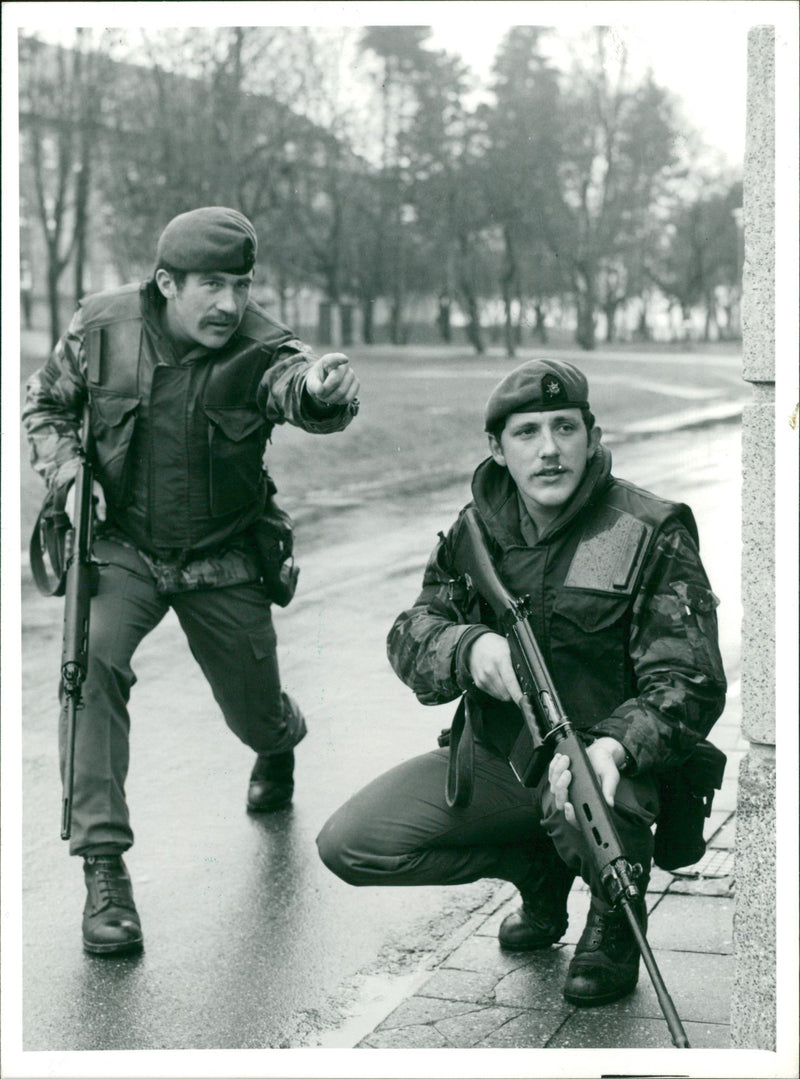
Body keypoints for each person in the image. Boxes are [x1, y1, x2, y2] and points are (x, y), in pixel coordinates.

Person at [317, 358, 726, 1008]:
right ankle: (538, 868)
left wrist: (618, 743)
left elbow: (691, 678)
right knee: (353, 843)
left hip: (612, 770)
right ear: (497, 449)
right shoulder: (475, 531)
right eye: (527, 433)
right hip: (503, 757)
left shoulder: (646, 529)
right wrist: (465, 646)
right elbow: (411, 630)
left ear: (591, 435)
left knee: (590, 808)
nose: (549, 450)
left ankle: (617, 918)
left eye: (565, 428)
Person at [23, 206, 360, 955]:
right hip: (124, 548)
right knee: (90, 668)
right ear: (166, 282)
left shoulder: (263, 345)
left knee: (256, 714)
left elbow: (296, 387)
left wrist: (323, 389)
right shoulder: (100, 326)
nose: (230, 304)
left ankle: (280, 741)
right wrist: (71, 473)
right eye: (212, 285)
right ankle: (104, 867)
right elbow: (45, 402)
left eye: (241, 284)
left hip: (223, 556)